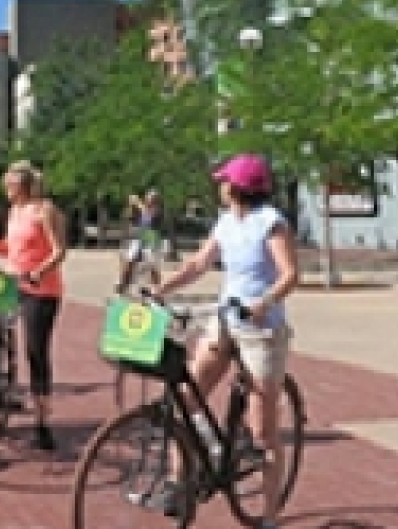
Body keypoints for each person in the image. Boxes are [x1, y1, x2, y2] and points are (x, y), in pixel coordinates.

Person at [152, 153, 299, 529]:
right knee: (183, 397)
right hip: (225, 321)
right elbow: (199, 264)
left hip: (260, 330)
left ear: (238, 188)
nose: (219, 186)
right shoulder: (225, 222)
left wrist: (263, 303)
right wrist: (161, 289)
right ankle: (180, 481)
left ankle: (269, 515)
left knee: (262, 431)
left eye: (224, 181)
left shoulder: (271, 223)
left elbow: (290, 275)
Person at [0, 160, 67, 451]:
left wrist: (37, 273)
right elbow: (10, 250)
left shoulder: (44, 210)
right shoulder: (14, 212)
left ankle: (42, 422)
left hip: (40, 289)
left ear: (26, 186)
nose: (7, 189)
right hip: (10, 283)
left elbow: (59, 251)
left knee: (36, 350)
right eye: (6, 184)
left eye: (11, 184)